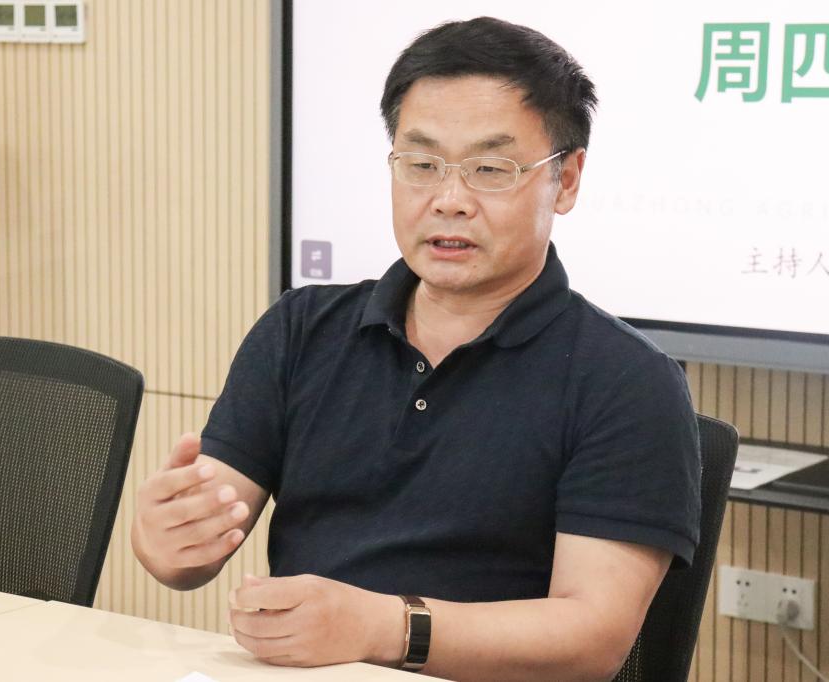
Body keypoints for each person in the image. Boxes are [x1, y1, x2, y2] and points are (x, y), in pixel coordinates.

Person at [132, 16, 700, 682]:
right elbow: (198, 542)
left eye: (490, 169)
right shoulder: (302, 328)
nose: (449, 200)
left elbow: (591, 639)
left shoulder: (628, 380)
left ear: (567, 179)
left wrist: (381, 627)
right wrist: (167, 537)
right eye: (422, 165)